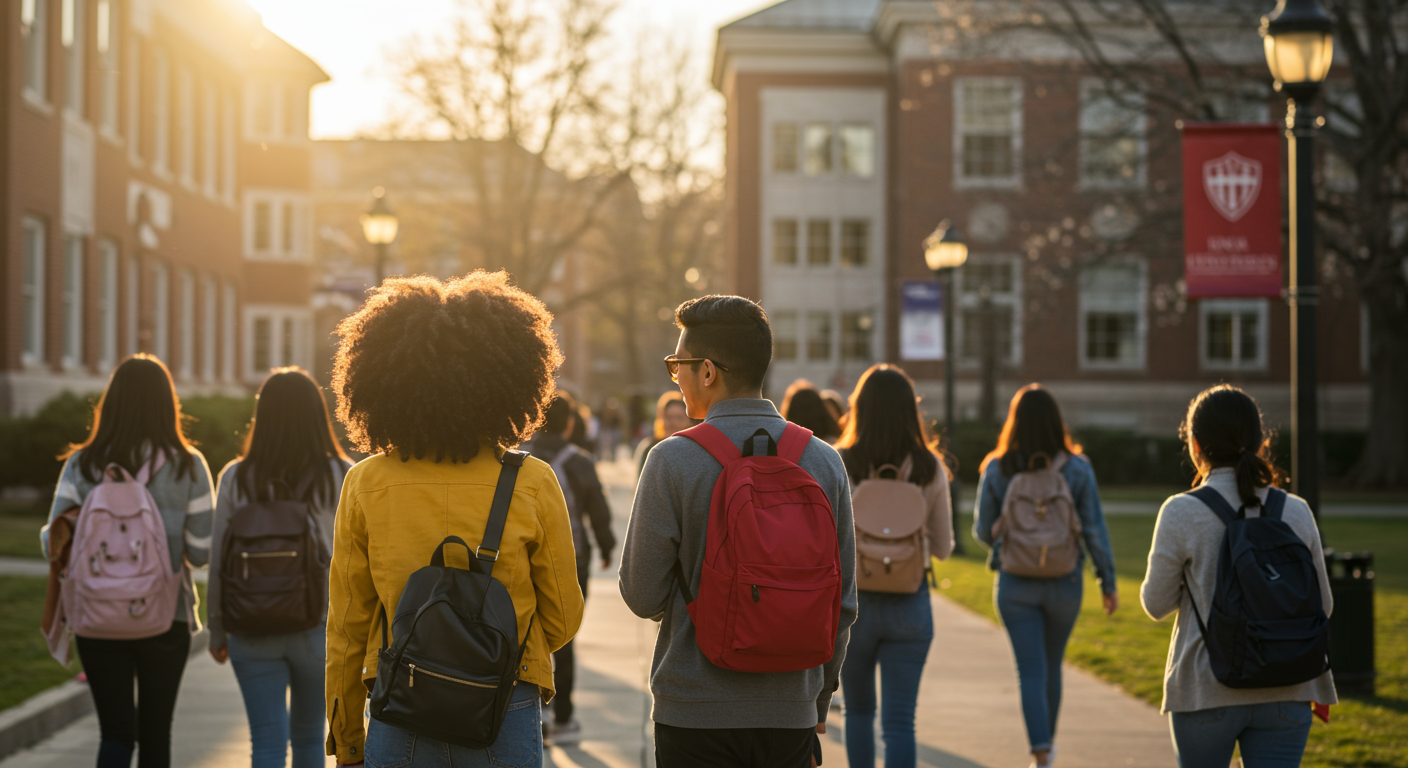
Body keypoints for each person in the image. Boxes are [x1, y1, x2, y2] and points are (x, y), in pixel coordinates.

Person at [323, 272, 585, 768]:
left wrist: (347, 738)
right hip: (503, 703)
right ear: (511, 380)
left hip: (400, 703)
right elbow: (563, 615)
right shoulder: (531, 481)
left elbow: (346, 630)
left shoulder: (366, 483)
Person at [619, 295, 858, 768]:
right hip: (789, 712)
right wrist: (818, 698)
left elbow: (642, 594)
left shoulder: (671, 460)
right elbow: (843, 604)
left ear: (707, 372)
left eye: (678, 366)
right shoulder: (823, 461)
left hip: (694, 712)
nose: (677, 377)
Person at [1141, 385, 1336, 768]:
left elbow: (1155, 604)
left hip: (1208, 691)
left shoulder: (1181, 511)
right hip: (1289, 686)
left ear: (1195, 445)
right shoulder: (1295, 510)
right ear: (1260, 441)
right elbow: (1324, 606)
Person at [42, 354, 215, 768]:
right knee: (156, 738)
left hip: (96, 616)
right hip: (165, 618)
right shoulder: (188, 465)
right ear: (167, 403)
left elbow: (55, 545)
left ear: (111, 402)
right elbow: (201, 551)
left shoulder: (81, 465)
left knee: (116, 734)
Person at [208, 367, 352, 768]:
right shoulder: (340, 474)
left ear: (263, 415)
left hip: (251, 625)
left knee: (267, 744)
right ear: (316, 414)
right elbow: (358, 559)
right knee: (309, 740)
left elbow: (220, 559)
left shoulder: (236, 477)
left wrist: (218, 628)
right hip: (319, 627)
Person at [973, 384, 1117, 768]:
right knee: (1052, 667)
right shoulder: (1078, 468)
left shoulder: (997, 467)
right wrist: (1108, 581)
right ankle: (1046, 752)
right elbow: (1094, 530)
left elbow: (983, 529)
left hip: (1015, 584)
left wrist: (1013, 549)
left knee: (1030, 671)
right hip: (1065, 581)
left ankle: (1040, 751)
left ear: (1014, 421)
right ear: (1057, 422)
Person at [834, 364, 954, 768]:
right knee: (901, 721)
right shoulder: (929, 467)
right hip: (910, 604)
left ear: (859, 408)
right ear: (910, 410)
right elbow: (943, 547)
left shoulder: (840, 462)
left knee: (858, 711)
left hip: (853, 606)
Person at [524, 390, 615, 744]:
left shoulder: (520, 458)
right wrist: (606, 547)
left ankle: (535, 710)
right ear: (571, 423)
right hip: (572, 561)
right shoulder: (580, 462)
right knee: (565, 635)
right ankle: (563, 715)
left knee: (528, 631)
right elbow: (598, 512)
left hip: (526, 559)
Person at [634, 391, 693, 477]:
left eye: (679, 418)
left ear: (690, 421)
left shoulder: (694, 450)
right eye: (668, 417)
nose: (673, 423)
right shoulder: (650, 448)